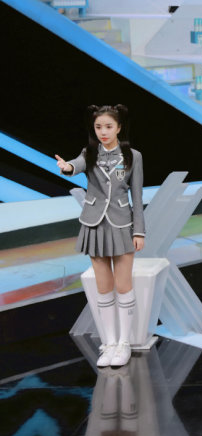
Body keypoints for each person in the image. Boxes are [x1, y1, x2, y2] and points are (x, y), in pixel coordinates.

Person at [56, 105, 145, 368]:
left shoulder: (133, 156)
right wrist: (67, 167)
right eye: (98, 127)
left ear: (119, 128)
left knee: (123, 285)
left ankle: (124, 343)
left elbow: (137, 196)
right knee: (103, 288)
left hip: (122, 223)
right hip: (94, 225)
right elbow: (76, 165)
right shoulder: (89, 152)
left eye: (108, 126)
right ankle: (109, 343)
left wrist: (139, 231)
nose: (103, 132)